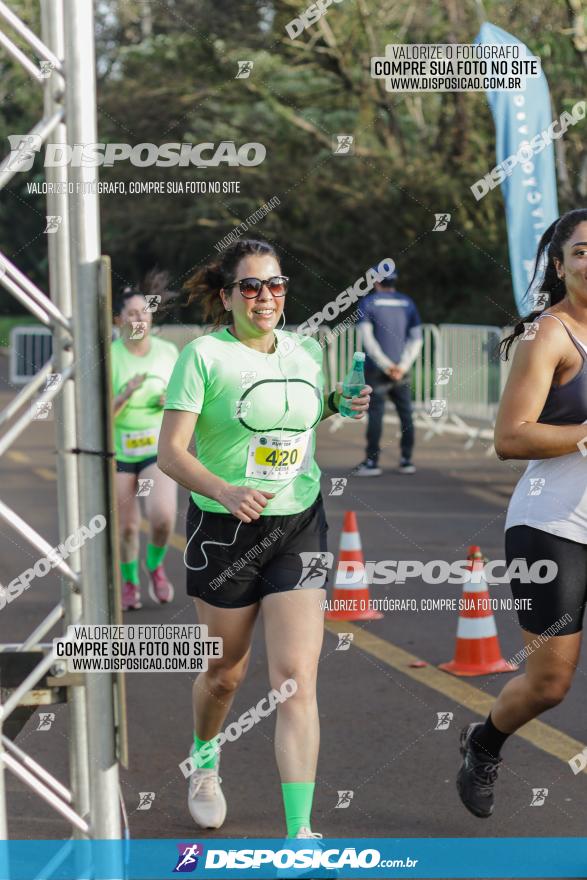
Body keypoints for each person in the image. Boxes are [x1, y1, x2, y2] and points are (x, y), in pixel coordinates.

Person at [157, 238, 371, 837]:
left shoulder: (306, 350)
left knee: (295, 678)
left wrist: (336, 401)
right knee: (226, 672)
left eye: (274, 285)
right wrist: (224, 489)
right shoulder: (202, 356)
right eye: (250, 287)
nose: (265, 297)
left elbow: (298, 418)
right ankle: (204, 763)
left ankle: (300, 833)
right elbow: (170, 453)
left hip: (298, 523)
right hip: (225, 531)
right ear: (227, 297)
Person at [457, 208, 587, 818]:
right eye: (582, 252)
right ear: (560, 267)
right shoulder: (551, 335)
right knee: (549, 685)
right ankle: (483, 743)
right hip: (553, 526)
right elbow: (511, 438)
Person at [112, 285, 179, 611]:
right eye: (132, 314)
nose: (139, 318)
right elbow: (98, 417)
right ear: (118, 320)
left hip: (157, 448)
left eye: (144, 312)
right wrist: (124, 396)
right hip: (118, 453)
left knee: (163, 518)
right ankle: (130, 581)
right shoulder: (110, 357)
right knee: (126, 528)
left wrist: (172, 402)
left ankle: (154, 565)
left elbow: (186, 402)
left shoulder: (168, 353)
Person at [354, 267, 422, 476]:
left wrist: (385, 365)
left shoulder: (368, 303)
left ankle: (372, 463)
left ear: (376, 282)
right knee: (406, 415)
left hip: (377, 370)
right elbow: (416, 338)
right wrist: (402, 366)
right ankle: (406, 460)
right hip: (402, 370)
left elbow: (368, 339)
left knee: (376, 414)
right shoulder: (408, 303)